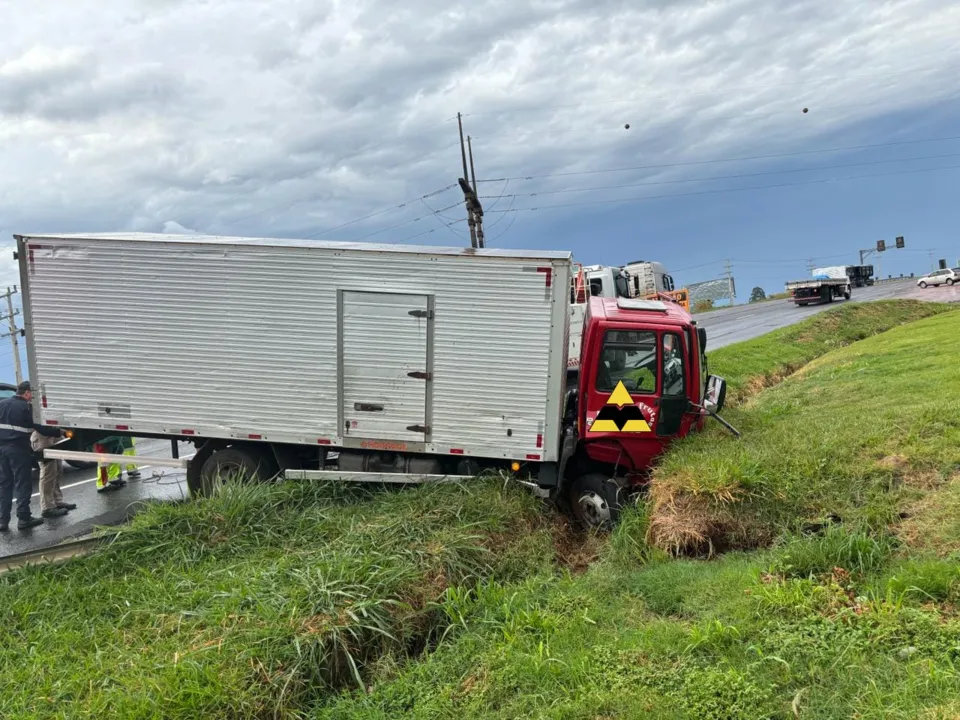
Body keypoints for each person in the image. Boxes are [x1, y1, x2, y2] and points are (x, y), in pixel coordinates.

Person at [0, 381, 63, 531]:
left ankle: (3, 521)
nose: (32, 398)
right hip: (18, 449)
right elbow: (40, 427)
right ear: (27, 392)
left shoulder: (2, 404)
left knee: (5, 484)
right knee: (22, 483)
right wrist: (59, 432)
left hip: (1, 449)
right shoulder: (25, 407)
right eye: (32, 394)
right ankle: (24, 518)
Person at [31, 429, 77, 518]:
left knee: (57, 470)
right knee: (48, 473)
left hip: (52, 433)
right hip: (42, 435)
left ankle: (57, 502)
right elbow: (39, 425)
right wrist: (61, 432)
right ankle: (47, 508)